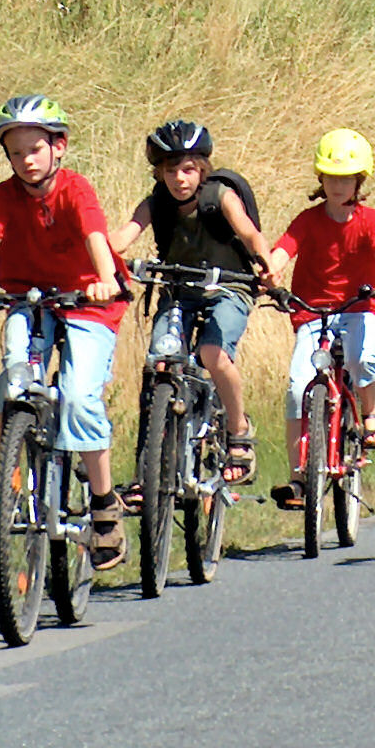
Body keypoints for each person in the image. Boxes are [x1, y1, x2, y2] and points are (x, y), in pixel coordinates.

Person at [0, 96, 130, 570]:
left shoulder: (75, 190)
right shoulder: (5, 195)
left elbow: (94, 234)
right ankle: (9, 478)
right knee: (14, 382)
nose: (26, 160)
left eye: (35, 149)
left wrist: (105, 277)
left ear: (59, 147)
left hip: (88, 299)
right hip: (27, 297)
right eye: (16, 153)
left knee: (78, 395)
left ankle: (105, 502)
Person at [107, 120, 269, 484]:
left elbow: (249, 233)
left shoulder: (220, 197)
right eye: (170, 170)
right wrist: (90, 253)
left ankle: (238, 430)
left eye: (188, 170)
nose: (180, 178)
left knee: (213, 354)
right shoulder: (156, 203)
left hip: (229, 288)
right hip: (180, 291)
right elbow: (122, 237)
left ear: (203, 170)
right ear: (158, 172)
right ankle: (145, 475)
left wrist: (268, 263)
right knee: (160, 367)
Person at [266, 129, 375, 512]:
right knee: (298, 389)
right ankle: (298, 476)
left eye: (346, 178)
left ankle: (371, 415)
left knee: (361, 358)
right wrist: (270, 274)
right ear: (320, 179)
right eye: (331, 177)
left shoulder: (370, 219)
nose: (338, 185)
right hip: (313, 311)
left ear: (360, 180)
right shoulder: (308, 220)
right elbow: (283, 250)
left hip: (361, 306)